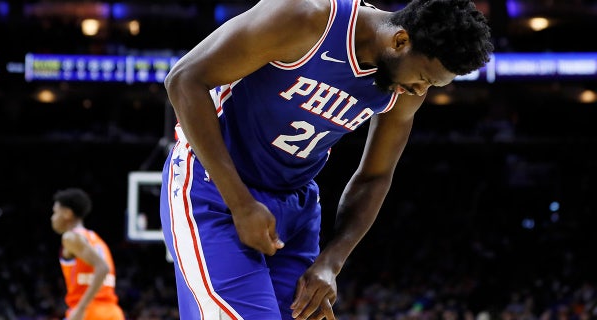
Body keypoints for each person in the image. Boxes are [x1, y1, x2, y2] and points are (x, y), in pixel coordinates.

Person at [160, 0, 493, 318]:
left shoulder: (401, 90)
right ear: (401, 40)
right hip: (215, 187)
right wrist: (241, 204)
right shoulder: (306, 18)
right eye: (424, 79)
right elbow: (184, 80)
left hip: (296, 204)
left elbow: (374, 176)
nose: (420, 91)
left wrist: (331, 262)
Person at [50, 188, 126, 320]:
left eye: (55, 212)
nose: (53, 218)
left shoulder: (70, 237)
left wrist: (81, 308)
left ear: (67, 213)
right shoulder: (97, 240)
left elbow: (102, 267)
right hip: (113, 312)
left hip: (90, 312)